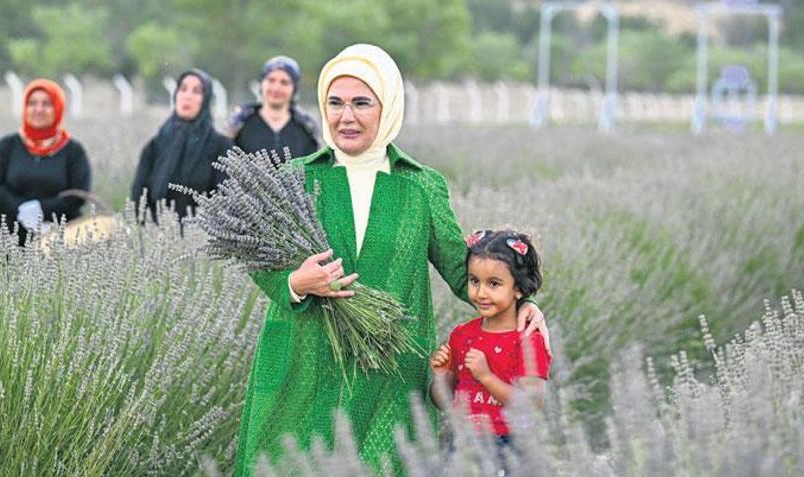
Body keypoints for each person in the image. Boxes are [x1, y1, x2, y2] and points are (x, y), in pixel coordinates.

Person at [234, 44, 550, 476]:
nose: (346, 117)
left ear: (388, 106)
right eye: (335, 103)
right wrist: (295, 282)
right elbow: (259, 257)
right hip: (303, 357)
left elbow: (463, 270)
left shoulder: (421, 186)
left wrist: (522, 303)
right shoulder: (297, 177)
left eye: (362, 103)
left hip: (390, 371)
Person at [429, 230, 551, 475]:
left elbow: (531, 404)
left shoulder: (528, 340)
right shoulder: (462, 335)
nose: (481, 293)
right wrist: (442, 376)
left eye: (493, 284)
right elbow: (444, 402)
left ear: (519, 288)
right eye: (474, 281)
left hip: (511, 446)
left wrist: (486, 377)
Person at [0, 79, 91, 246]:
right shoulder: (7, 146)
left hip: (62, 236)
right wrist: (21, 209)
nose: (38, 109)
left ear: (57, 108)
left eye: (47, 104)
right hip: (10, 237)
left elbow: (79, 194)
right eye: (32, 103)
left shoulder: (73, 151)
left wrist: (41, 210)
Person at [131, 68, 232, 222]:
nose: (187, 96)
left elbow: (227, 204)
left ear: (205, 99)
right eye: (183, 89)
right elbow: (138, 201)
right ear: (176, 95)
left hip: (202, 238)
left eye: (197, 91)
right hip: (158, 239)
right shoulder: (155, 146)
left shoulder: (220, 147)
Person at [227, 55, 320, 161]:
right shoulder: (240, 124)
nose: (276, 88)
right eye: (271, 80)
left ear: (294, 88)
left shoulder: (306, 128)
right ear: (262, 83)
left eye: (284, 82)